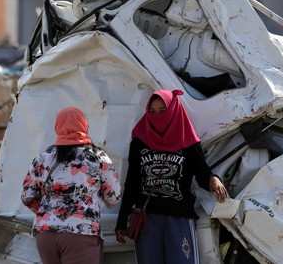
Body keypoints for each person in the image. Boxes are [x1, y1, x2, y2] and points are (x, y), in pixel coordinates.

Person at [115, 89, 228, 264]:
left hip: (179, 217)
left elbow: (201, 172)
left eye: (162, 110)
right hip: (148, 219)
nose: (157, 116)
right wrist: (122, 221)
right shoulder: (140, 139)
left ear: (173, 110)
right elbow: (132, 182)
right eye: (152, 111)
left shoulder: (187, 139)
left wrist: (213, 179)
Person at [21, 107, 121, 264]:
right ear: (85, 126)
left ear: (57, 127)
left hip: (46, 234)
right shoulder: (97, 157)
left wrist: (48, 212)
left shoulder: (43, 158)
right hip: (81, 233)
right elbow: (114, 198)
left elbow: (27, 196)